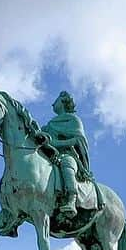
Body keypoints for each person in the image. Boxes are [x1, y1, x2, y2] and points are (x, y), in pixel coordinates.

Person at [33, 91, 91, 225]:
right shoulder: (49, 125)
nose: (53, 103)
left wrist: (57, 144)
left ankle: (71, 199)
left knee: (67, 163)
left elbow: (78, 140)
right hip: (50, 156)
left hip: (67, 155)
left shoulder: (73, 120)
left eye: (57, 99)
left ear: (64, 102)